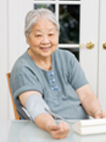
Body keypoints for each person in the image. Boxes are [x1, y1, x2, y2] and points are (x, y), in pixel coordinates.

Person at [10, 8, 106, 139]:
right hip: (43, 133)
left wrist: (97, 112)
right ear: (27, 37)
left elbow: (86, 94)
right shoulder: (22, 68)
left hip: (80, 132)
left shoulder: (68, 58)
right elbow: (35, 106)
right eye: (38, 35)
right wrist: (51, 126)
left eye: (50, 34)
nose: (45, 41)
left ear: (57, 34)